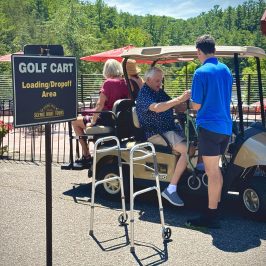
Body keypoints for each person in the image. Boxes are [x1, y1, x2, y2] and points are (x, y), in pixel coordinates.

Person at [187, 35, 233, 228]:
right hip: (225, 128)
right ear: (214, 49)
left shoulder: (200, 72)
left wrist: (188, 101)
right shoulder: (226, 69)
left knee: (212, 172)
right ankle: (217, 208)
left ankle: (210, 216)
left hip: (209, 128)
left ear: (199, 51)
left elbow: (196, 105)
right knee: (217, 170)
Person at [136, 67, 191, 206]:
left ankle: (193, 175)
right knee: (188, 150)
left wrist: (187, 103)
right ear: (148, 80)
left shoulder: (157, 91)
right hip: (156, 133)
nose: (160, 83)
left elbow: (173, 106)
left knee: (196, 142)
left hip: (169, 129)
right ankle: (171, 189)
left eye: (161, 80)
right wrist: (179, 99)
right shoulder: (144, 95)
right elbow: (158, 108)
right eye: (157, 81)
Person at [72, 59, 129, 166]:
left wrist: (93, 122)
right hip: (119, 119)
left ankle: (86, 154)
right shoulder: (125, 83)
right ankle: (95, 149)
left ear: (107, 70)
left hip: (107, 118)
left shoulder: (108, 83)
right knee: (83, 117)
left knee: (75, 121)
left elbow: (100, 104)